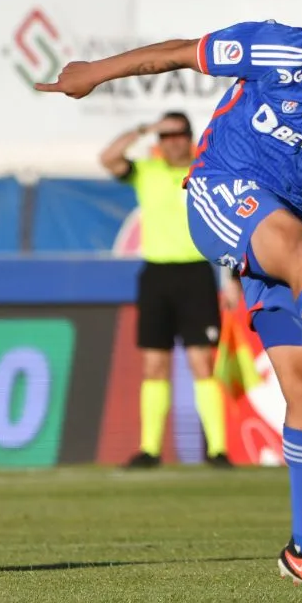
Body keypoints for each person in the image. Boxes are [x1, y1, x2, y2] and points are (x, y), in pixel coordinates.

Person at [38, 0, 302, 603]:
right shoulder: (280, 49)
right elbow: (179, 54)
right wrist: (94, 74)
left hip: (293, 226)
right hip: (222, 190)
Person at [100, 111, 241, 469]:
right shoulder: (147, 172)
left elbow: (228, 227)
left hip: (196, 274)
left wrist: (230, 279)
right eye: (166, 135)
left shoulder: (205, 173)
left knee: (201, 362)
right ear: (159, 141)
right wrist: (144, 128)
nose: (173, 141)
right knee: (154, 365)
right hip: (157, 275)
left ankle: (217, 449)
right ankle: (149, 449)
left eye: (179, 134)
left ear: (189, 138)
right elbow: (108, 158)